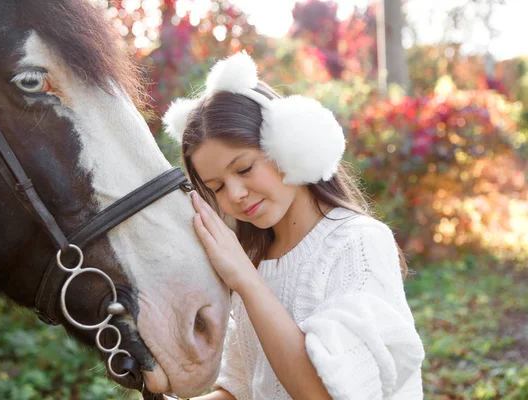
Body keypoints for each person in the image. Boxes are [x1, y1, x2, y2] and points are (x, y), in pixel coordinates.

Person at [162, 52, 425, 400]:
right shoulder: (254, 261)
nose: (236, 195)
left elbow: (325, 394)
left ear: (287, 144)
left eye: (243, 169)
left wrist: (245, 279)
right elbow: (241, 390)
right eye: (217, 188)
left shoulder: (359, 244)